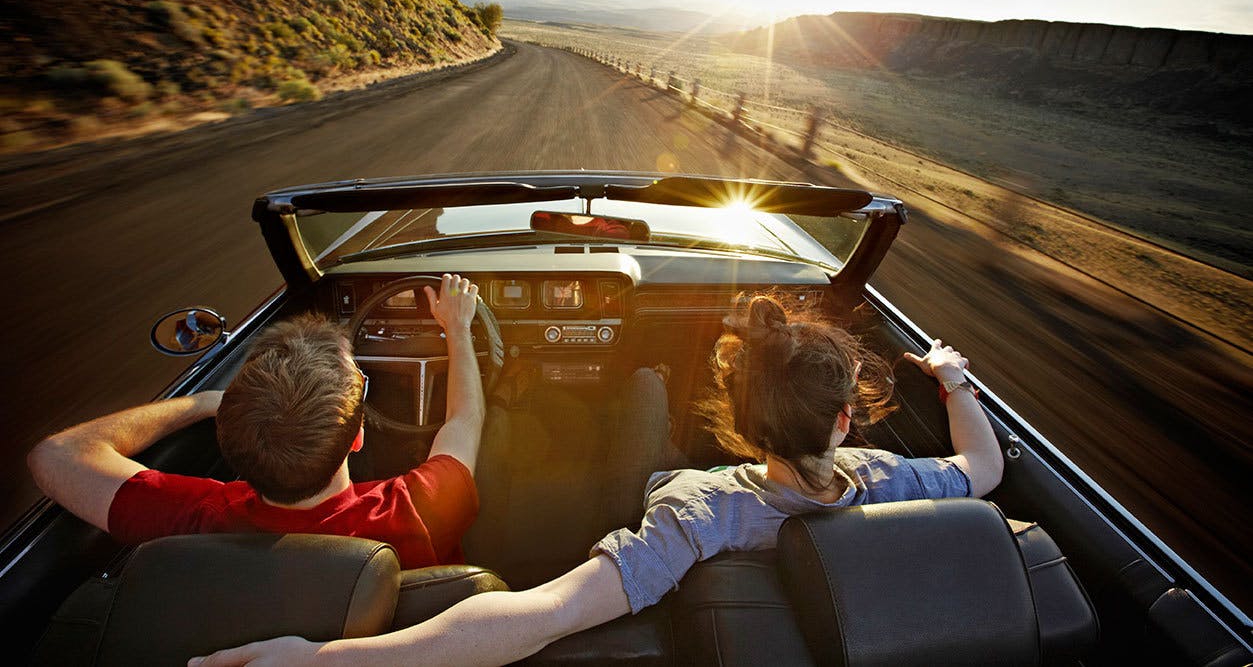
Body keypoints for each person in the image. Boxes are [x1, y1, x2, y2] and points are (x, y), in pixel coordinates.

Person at [191, 293, 1004, 667]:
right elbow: (984, 468)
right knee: (642, 387)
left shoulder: (697, 508)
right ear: (844, 419)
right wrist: (953, 380)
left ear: (737, 420)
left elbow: (539, 611)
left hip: (665, 518)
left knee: (643, 393)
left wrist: (326, 659)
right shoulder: (894, 479)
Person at [27, 274, 485, 570]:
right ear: (359, 436)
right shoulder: (418, 512)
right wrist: (457, 329)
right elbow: (465, 418)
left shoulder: (195, 519)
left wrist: (204, 403)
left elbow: (55, 455)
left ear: (232, 437)